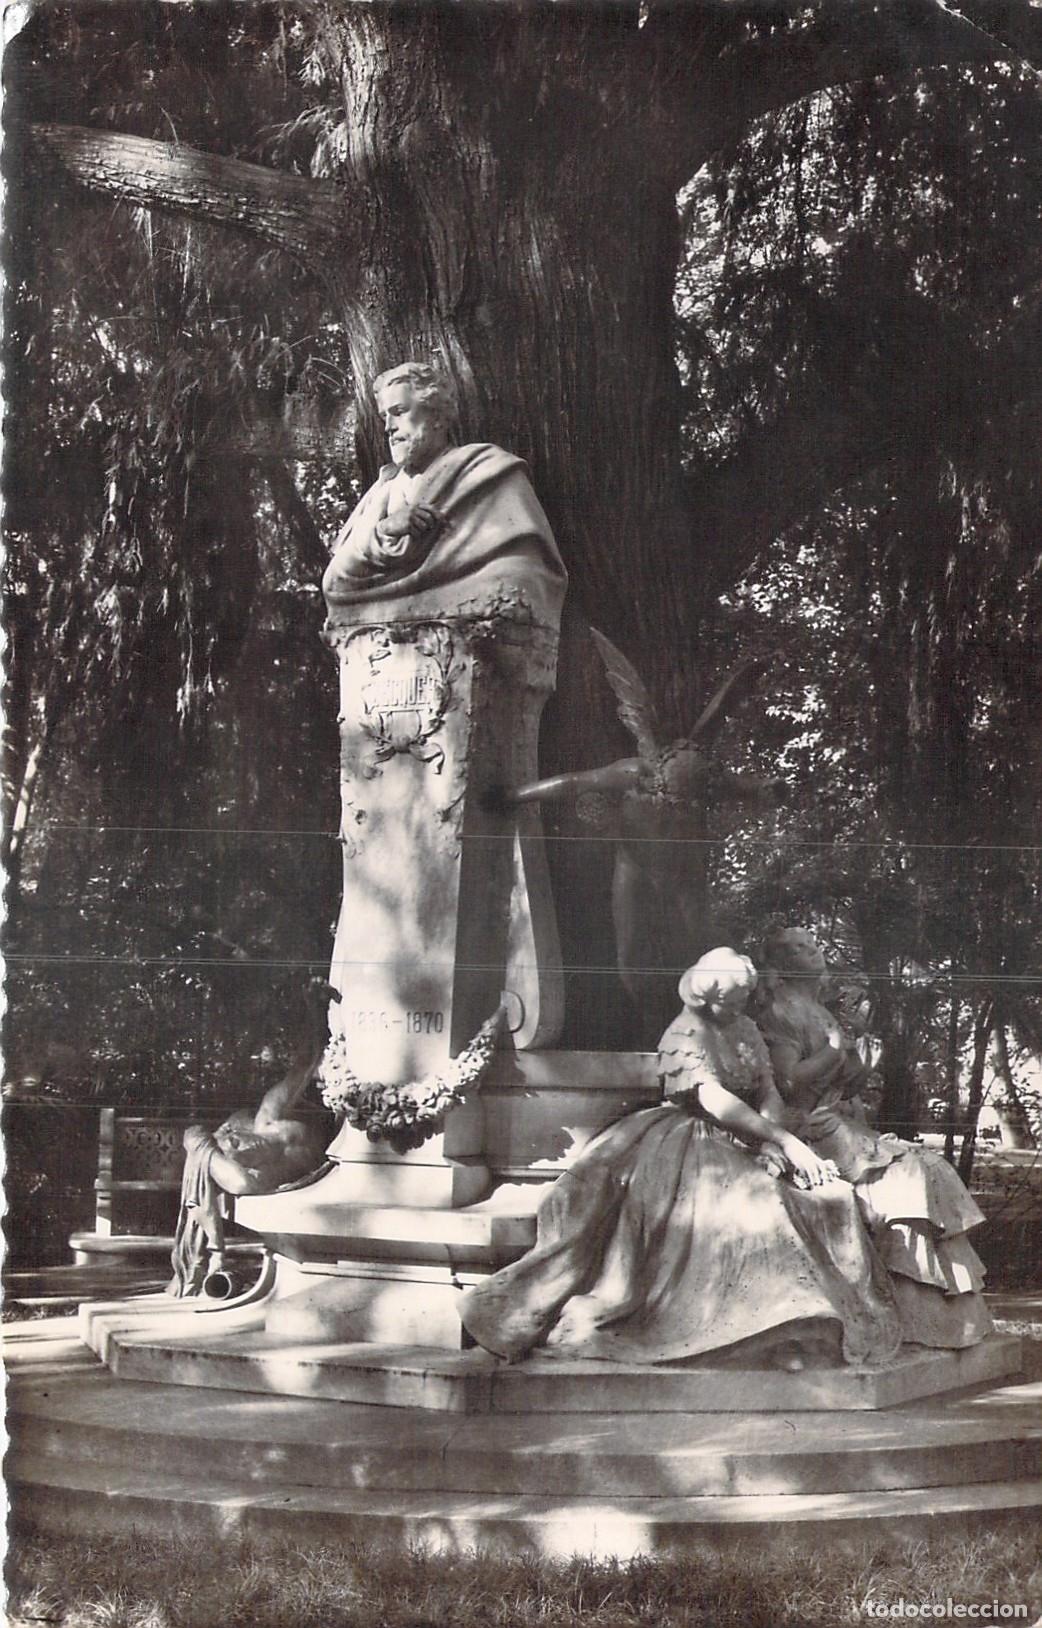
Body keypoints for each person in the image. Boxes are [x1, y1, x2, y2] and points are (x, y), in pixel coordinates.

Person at [460, 949, 902, 1367]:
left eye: (744, 1000)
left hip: (754, 1133)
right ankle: (760, 1329)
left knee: (831, 1197)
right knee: (760, 1205)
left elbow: (768, 1088)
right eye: (732, 1002)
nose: (741, 1009)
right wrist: (784, 1143)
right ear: (709, 997)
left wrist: (775, 1139)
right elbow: (715, 1102)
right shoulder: (684, 1034)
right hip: (697, 1138)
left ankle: (806, 1326)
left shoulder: (745, 1027)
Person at [755, 927, 992, 1348]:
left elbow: (839, 1083)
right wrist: (833, 1050)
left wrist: (861, 1062)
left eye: (814, 945)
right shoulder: (779, 1013)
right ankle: (913, 1311)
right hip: (807, 1128)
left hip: (841, 1124)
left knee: (930, 1167)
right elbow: (788, 1081)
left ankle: (934, 1317)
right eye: (801, 948)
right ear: (782, 963)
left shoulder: (820, 1011)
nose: (815, 952)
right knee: (911, 1177)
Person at [322, 362, 566, 628]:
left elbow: (525, 573)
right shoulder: (382, 492)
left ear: (436, 416)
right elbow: (336, 583)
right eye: (384, 417)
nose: (388, 428)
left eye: (400, 412)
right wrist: (384, 531)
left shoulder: (486, 470)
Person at [169, 980, 338, 1297]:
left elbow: (302, 1066)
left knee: (196, 1143)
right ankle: (217, 1256)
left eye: (231, 1138)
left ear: (236, 1129)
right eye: (229, 1153)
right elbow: (240, 1184)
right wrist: (208, 1152)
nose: (234, 1146)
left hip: (344, 1142)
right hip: (323, 1172)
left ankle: (217, 1255)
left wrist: (315, 1009)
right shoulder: (257, 1178)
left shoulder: (268, 1117)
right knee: (197, 1145)